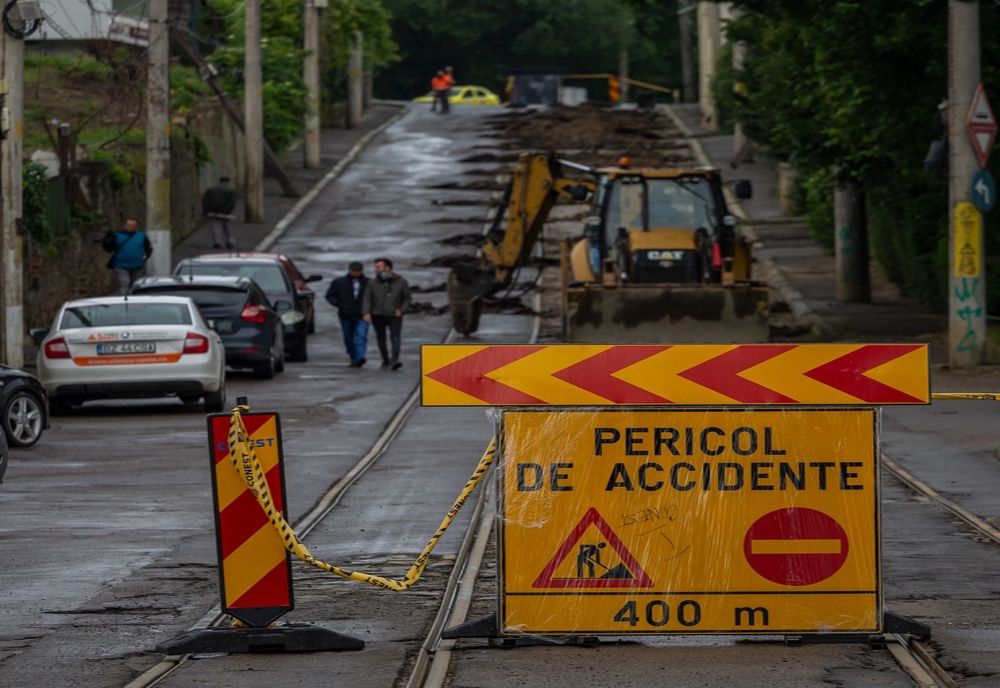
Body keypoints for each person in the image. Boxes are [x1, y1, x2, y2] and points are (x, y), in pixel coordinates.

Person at [362, 257, 411, 370]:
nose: (376, 269)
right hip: (377, 314)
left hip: (394, 314)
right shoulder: (372, 282)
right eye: (375, 267)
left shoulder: (401, 281)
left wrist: (402, 310)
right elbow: (367, 298)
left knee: (395, 337)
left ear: (387, 268)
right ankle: (385, 360)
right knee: (381, 338)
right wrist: (366, 312)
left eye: (378, 267)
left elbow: (407, 298)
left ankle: (395, 360)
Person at [325, 261, 370, 367]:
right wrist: (339, 304)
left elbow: (375, 297)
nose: (356, 273)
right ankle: (353, 357)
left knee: (361, 335)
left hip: (362, 314)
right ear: (349, 270)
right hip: (345, 315)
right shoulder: (339, 282)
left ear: (362, 271)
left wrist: (370, 309)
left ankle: (360, 357)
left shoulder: (369, 283)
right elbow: (330, 295)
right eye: (354, 270)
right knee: (348, 337)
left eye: (358, 271)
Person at [102, 218, 152, 295]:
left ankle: (133, 298)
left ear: (136, 226)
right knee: (125, 282)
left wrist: (144, 258)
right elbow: (108, 248)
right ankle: (123, 298)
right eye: (129, 225)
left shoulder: (141, 236)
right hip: (120, 265)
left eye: (134, 225)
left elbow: (148, 248)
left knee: (134, 285)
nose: (131, 227)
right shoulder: (117, 236)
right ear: (124, 226)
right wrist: (107, 239)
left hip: (137, 265)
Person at [202, 176, 238, 249]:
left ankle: (217, 242)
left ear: (219, 182)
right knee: (227, 226)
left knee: (215, 226)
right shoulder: (230, 191)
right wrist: (226, 211)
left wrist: (206, 211)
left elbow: (205, 201)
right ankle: (229, 241)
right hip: (225, 212)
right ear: (227, 182)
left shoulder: (210, 190)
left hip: (212, 211)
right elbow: (232, 203)